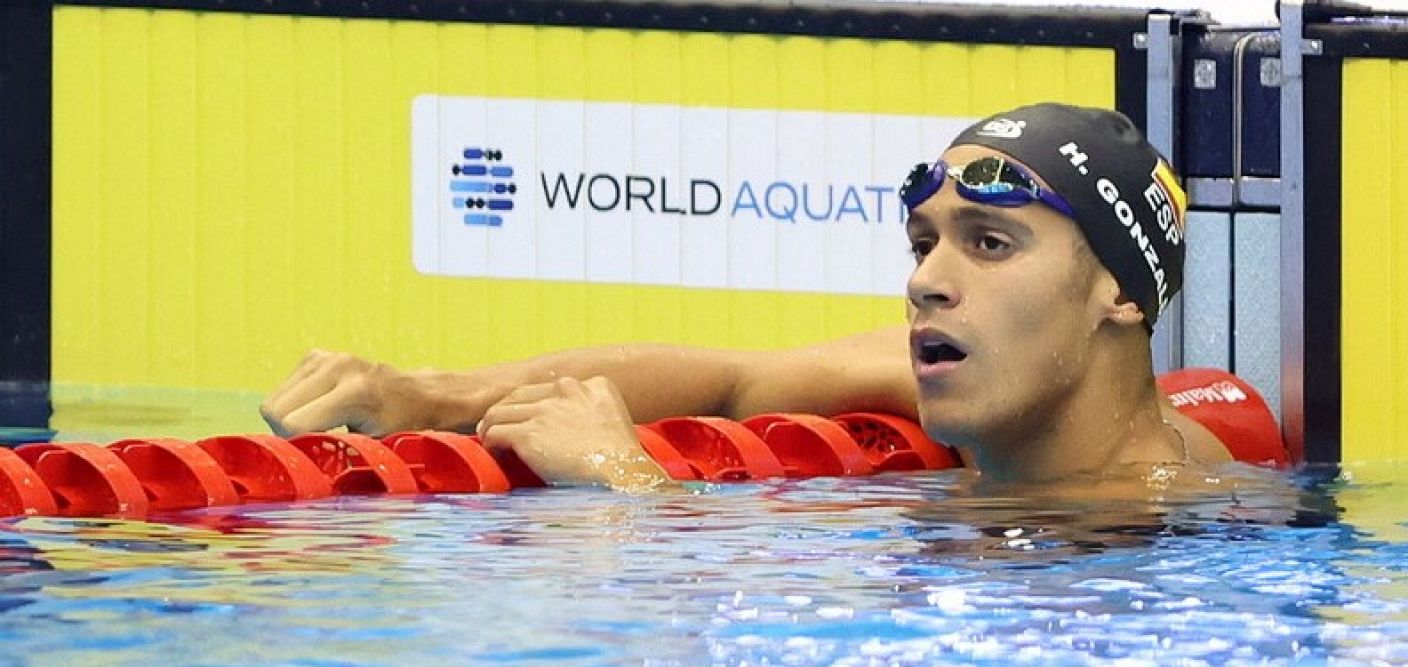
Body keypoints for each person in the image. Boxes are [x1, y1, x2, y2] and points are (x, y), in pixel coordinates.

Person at [262, 103, 1235, 492]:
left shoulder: (1151, 535)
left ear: (1118, 290)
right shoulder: (983, 377)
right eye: (923, 241)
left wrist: (624, 485)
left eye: (989, 244)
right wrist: (427, 398)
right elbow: (733, 381)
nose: (927, 279)